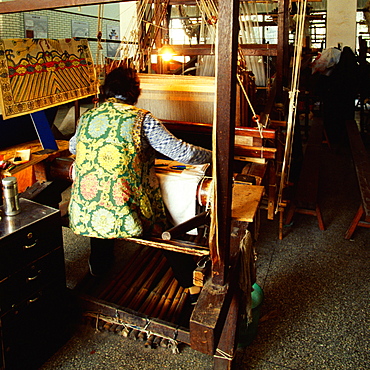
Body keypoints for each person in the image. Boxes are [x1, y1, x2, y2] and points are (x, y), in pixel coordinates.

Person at [68, 66, 211, 302]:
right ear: (135, 92)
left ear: (105, 91)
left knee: (103, 195)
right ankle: (189, 285)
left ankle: (98, 268)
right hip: (129, 210)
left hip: (86, 209)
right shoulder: (142, 120)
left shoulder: (88, 117)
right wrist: (213, 154)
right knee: (165, 222)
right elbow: (181, 153)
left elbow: (74, 148)